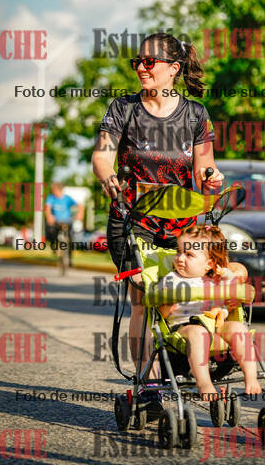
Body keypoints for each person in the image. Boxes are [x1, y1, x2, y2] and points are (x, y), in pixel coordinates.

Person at [92, 32, 224, 370]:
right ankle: (147, 382)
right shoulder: (123, 108)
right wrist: (107, 177)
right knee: (143, 300)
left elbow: (205, 167)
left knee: (182, 295)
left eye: (149, 62)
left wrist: (211, 178)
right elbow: (102, 156)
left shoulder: (195, 114)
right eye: (137, 62)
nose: (141, 68)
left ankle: (182, 364)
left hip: (181, 226)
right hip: (132, 220)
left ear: (173, 68)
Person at [158, 224, 261, 401]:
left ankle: (251, 376)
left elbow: (238, 281)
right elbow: (162, 314)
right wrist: (168, 303)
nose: (180, 258)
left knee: (238, 328)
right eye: (179, 252)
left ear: (209, 264)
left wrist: (234, 294)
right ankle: (204, 383)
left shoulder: (216, 279)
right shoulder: (171, 279)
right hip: (184, 326)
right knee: (198, 332)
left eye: (189, 255)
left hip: (215, 325)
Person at [44, 183, 84, 264]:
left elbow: (80, 205)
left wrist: (80, 214)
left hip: (67, 221)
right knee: (51, 231)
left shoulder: (67, 198)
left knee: (70, 239)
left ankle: (69, 258)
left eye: (53, 190)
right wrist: (49, 216)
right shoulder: (51, 198)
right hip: (56, 221)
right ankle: (54, 246)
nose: (52, 192)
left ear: (59, 190)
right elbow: (47, 208)